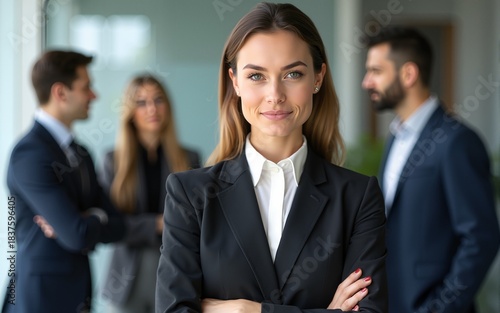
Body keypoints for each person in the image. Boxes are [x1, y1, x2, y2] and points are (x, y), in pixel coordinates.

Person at [156, 3, 388, 312]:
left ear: (318, 78)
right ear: (235, 81)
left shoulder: (357, 197)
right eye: (256, 76)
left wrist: (246, 310)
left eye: (293, 74)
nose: (275, 94)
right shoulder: (189, 195)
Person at [362, 26, 500, 313]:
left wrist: (441, 308)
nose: (366, 82)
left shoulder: (457, 141)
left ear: (408, 74)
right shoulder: (394, 139)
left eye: (376, 71)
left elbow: (480, 237)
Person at [2, 50, 126, 313]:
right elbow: (76, 235)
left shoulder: (80, 153)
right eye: (86, 87)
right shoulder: (29, 154)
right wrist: (89, 222)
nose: (94, 95)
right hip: (40, 300)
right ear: (61, 93)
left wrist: (89, 218)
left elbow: (118, 225)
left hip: (77, 295)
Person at [99, 74, 201, 313]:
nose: (152, 109)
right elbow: (109, 225)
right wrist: (158, 223)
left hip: (175, 269)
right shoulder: (112, 161)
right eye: (141, 102)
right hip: (127, 276)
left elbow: (197, 220)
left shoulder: (190, 158)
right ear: (130, 111)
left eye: (158, 100)